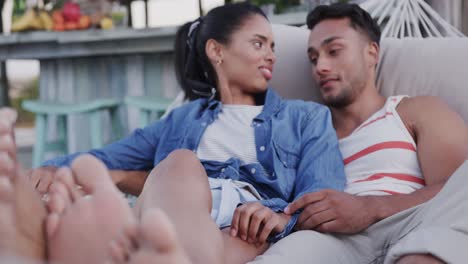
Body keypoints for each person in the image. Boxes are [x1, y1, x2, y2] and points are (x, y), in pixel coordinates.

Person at [23, 3, 346, 264]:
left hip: (245, 219)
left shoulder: (306, 116)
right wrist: (55, 168)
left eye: (273, 46)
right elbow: (106, 157)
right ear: (216, 51)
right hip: (178, 199)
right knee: (180, 162)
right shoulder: (183, 119)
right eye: (258, 43)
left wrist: (278, 217)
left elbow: (324, 193)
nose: (271, 55)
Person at [249, 3, 468, 264]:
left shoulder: (415, 110)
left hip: (415, 223)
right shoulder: (305, 134)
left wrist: (371, 208)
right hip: (334, 239)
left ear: (372, 53)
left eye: (334, 51)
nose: (321, 66)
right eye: (314, 58)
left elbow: (455, 190)